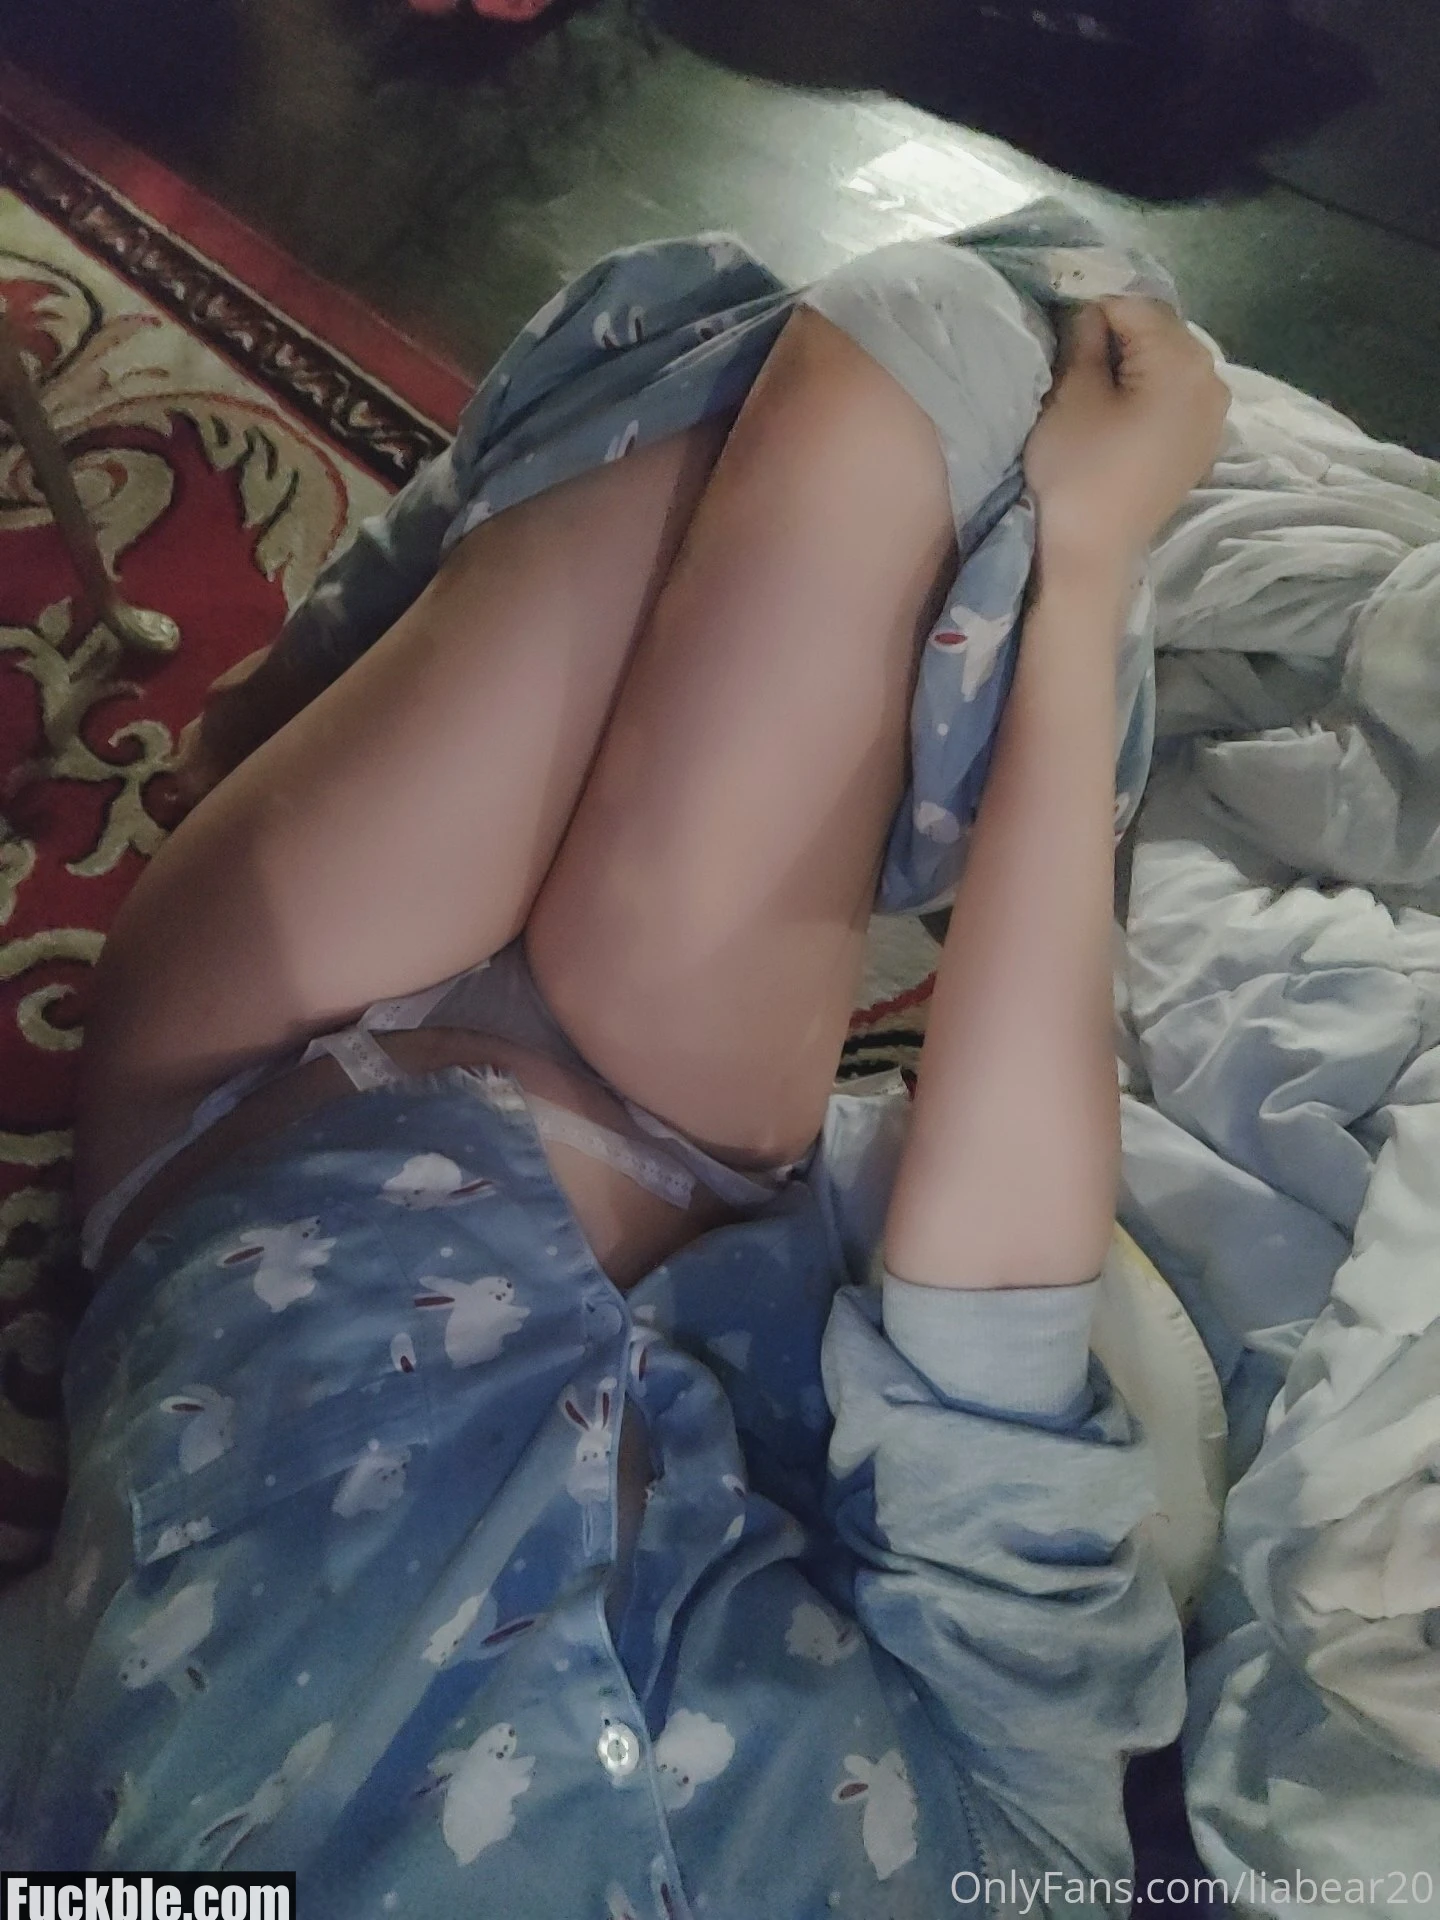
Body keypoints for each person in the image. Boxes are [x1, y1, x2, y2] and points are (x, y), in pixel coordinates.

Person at [2, 234, 1228, 1914]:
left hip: (224, 1133)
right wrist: (1084, 567)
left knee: (751, 379)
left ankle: (348, 666)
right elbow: (994, 1346)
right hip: (646, 1126)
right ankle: (404, 652)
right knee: (930, 355)